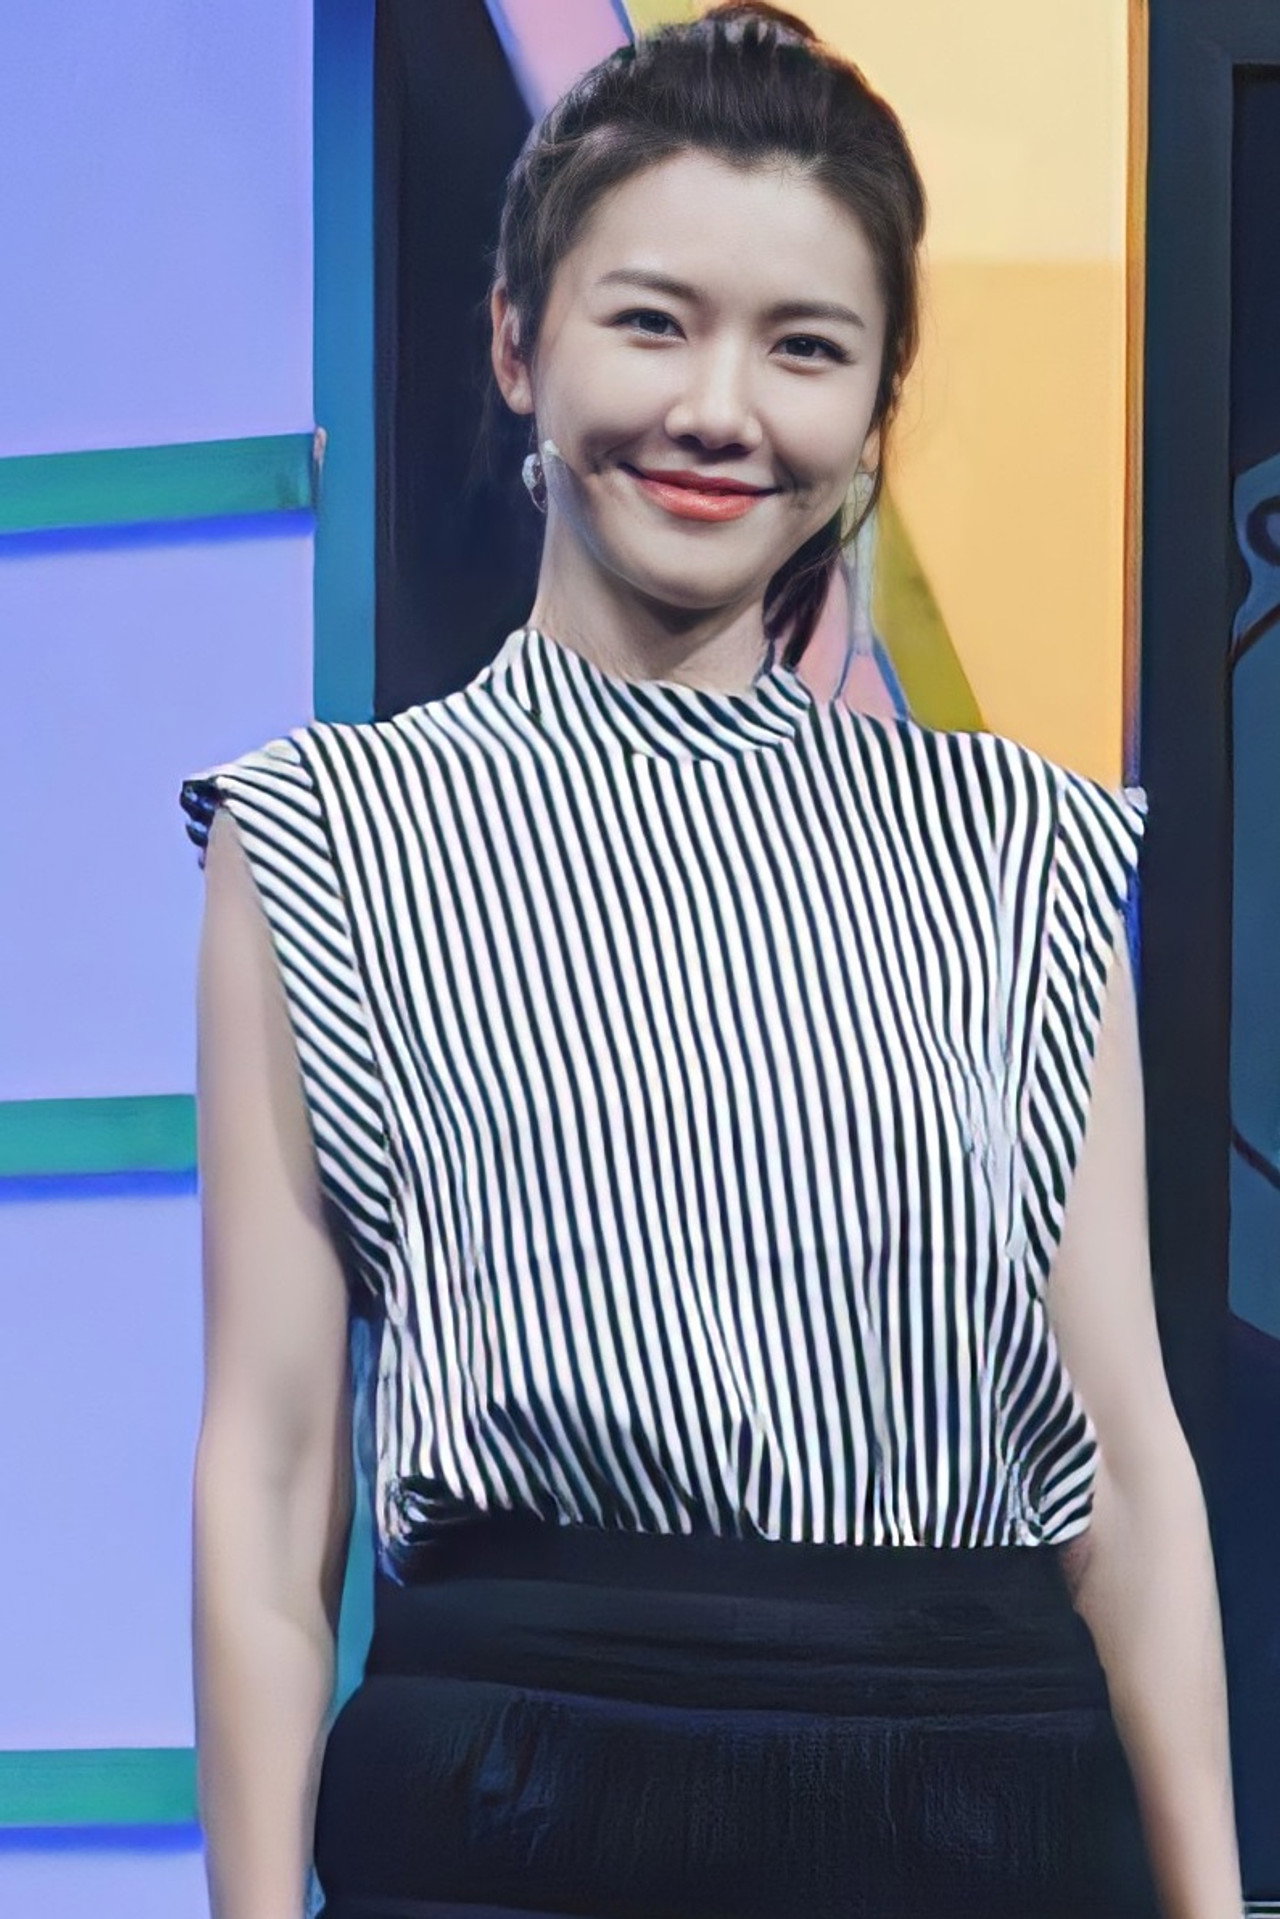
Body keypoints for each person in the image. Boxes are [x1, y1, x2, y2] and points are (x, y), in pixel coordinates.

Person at [180, 6, 1243, 1916]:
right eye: (654, 323)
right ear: (519, 343)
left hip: (976, 1811)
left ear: (876, 406)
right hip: (511, 1806)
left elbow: (1131, 1468)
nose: (720, 411)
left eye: (805, 348)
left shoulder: (1023, 850)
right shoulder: (326, 836)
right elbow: (268, 1483)